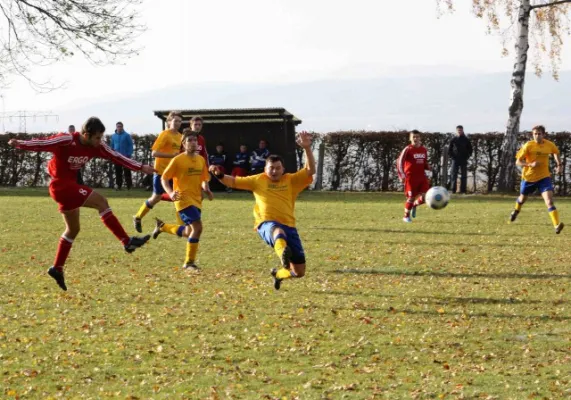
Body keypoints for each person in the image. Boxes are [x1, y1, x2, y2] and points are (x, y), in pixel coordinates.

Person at [8, 117, 154, 291]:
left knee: (73, 229)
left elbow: (116, 156)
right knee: (101, 202)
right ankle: (126, 241)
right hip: (61, 186)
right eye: (97, 138)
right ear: (85, 134)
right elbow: (43, 143)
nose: (100, 141)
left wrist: (140, 167)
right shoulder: (67, 139)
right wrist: (20, 143)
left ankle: (57, 268)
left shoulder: (96, 146)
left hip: (67, 188)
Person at [209, 131, 315, 290]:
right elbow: (233, 182)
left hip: (290, 226)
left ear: (283, 169)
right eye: (271, 168)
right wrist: (219, 174)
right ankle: (282, 255)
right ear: (265, 168)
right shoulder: (258, 180)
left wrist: (307, 148)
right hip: (266, 224)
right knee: (277, 231)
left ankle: (279, 274)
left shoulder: (291, 180)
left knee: (299, 272)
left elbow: (310, 170)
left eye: (277, 168)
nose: (274, 171)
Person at [152, 130, 212, 271]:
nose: (193, 142)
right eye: (189, 140)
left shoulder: (200, 160)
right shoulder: (178, 160)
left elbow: (204, 178)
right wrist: (171, 193)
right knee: (198, 228)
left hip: (197, 199)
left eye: (195, 140)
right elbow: (164, 178)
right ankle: (189, 263)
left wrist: (206, 189)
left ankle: (163, 227)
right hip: (182, 199)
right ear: (184, 144)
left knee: (189, 231)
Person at [133, 111, 183, 233]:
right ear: (169, 122)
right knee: (156, 197)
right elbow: (154, 153)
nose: (177, 123)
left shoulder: (180, 136)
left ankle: (181, 225)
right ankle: (138, 217)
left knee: (178, 195)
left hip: (173, 172)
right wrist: (171, 155)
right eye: (175, 121)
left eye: (179, 121)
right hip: (161, 172)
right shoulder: (164, 135)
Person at [510, 125, 564, 234]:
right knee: (522, 199)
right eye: (535, 134)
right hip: (529, 178)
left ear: (543, 134)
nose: (537, 136)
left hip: (544, 177)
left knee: (549, 201)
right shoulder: (528, 146)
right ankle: (516, 211)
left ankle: (556, 225)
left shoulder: (549, 145)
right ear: (532, 134)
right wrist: (530, 164)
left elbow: (555, 152)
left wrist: (559, 165)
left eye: (539, 134)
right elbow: (518, 162)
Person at [397, 130, 431, 223]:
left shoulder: (424, 149)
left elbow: (424, 162)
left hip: (422, 177)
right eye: (413, 137)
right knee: (411, 198)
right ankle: (406, 217)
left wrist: (428, 167)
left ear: (420, 138)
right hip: (411, 178)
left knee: (426, 197)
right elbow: (400, 162)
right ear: (410, 138)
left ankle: (415, 205)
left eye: (417, 137)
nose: (415, 139)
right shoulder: (408, 149)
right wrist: (402, 175)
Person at [448, 125, 473, 194]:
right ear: (456, 131)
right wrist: (452, 157)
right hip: (455, 160)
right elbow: (449, 150)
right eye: (458, 130)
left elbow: (470, 149)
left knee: (464, 175)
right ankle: (453, 190)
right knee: (453, 175)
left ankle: (463, 191)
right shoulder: (453, 139)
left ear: (463, 130)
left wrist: (467, 157)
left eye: (461, 130)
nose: (459, 131)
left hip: (463, 159)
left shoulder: (466, 140)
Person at [110, 121, 134, 190]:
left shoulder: (127, 135)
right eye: (118, 126)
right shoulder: (113, 136)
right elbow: (112, 146)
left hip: (125, 156)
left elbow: (130, 145)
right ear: (116, 127)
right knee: (118, 172)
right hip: (117, 157)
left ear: (122, 127)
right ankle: (118, 185)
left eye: (120, 126)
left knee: (127, 171)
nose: (119, 128)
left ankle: (129, 186)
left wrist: (129, 154)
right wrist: (112, 154)